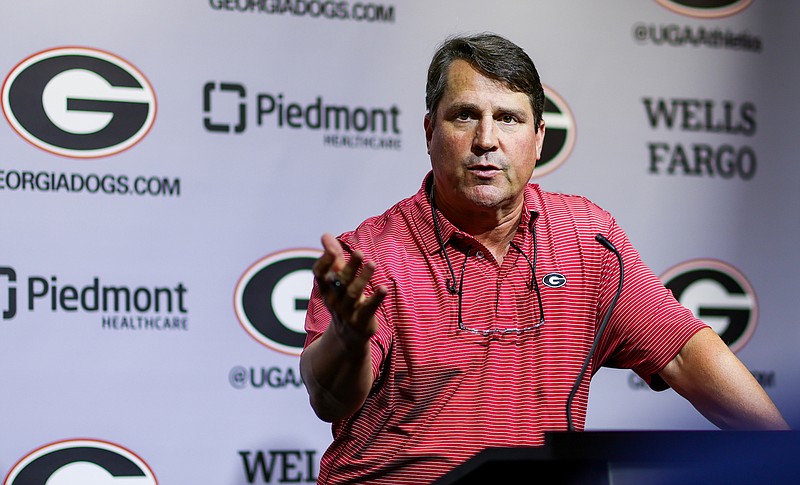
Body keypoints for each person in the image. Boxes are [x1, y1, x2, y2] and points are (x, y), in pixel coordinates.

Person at [299, 32, 789, 484]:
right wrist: (347, 337)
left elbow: (683, 352)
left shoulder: (586, 238)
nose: (486, 140)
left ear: (539, 140)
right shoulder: (368, 256)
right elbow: (329, 398)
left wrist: (784, 451)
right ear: (430, 132)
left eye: (508, 119)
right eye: (465, 115)